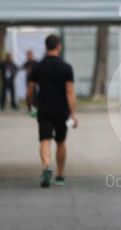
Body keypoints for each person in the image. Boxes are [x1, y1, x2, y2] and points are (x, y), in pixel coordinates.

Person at [26, 34, 78, 188]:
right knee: (61, 141)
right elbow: (70, 92)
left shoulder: (38, 67)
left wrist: (30, 107)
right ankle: (60, 175)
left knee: (45, 140)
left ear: (45, 47)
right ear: (59, 46)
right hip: (61, 110)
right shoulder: (66, 67)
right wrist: (73, 113)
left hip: (44, 109)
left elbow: (30, 92)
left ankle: (46, 167)